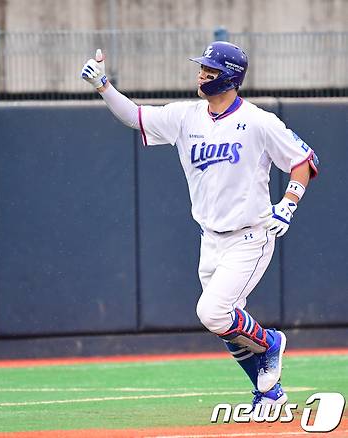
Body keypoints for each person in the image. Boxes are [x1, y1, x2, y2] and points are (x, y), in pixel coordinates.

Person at [81, 42, 318, 410]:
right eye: (202, 68)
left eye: (210, 70)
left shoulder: (258, 121)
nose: (201, 74)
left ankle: (271, 343)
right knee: (227, 329)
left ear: (229, 77)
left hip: (250, 236)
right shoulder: (186, 116)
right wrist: (104, 86)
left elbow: (303, 159)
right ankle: (270, 393)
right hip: (210, 239)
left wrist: (288, 203)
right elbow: (135, 116)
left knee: (213, 313)